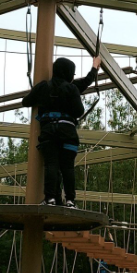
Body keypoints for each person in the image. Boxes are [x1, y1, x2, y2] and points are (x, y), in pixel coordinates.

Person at [21, 56, 100, 207]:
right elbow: (78, 110)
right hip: (67, 132)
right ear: (70, 74)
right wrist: (94, 68)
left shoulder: (44, 87)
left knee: (51, 164)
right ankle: (70, 200)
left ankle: (50, 198)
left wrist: (41, 97)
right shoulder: (71, 88)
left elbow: (26, 101)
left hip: (49, 131)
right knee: (67, 167)